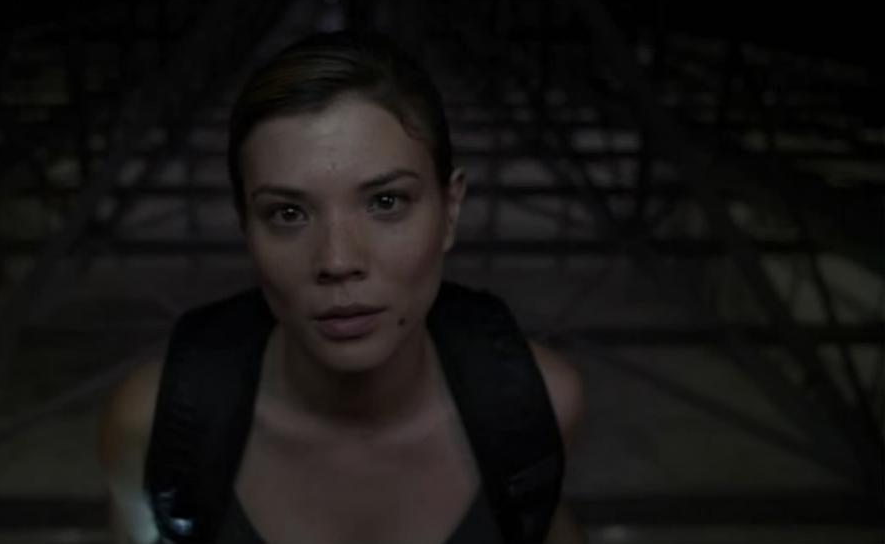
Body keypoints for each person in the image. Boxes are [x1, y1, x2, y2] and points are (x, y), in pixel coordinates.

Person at [98, 31, 586, 544]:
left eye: (386, 202)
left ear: (450, 211)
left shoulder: (542, 406)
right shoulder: (150, 425)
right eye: (287, 213)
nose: (337, 261)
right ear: (246, 229)